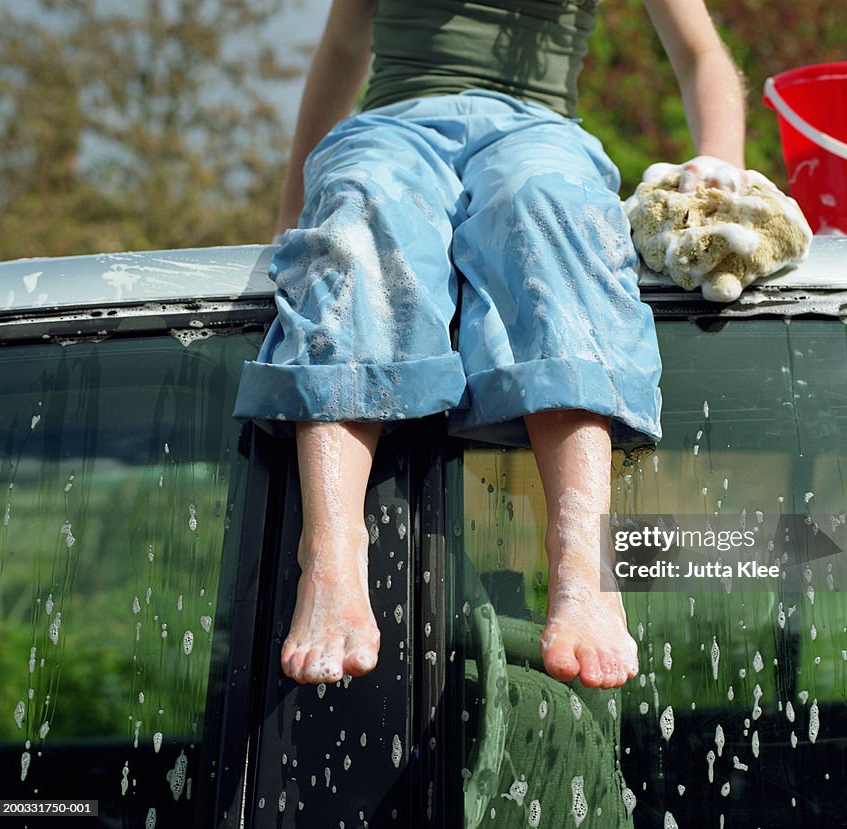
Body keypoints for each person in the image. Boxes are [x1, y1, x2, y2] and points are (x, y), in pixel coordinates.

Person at [234, 0, 745, 690]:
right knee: (361, 214)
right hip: (392, 129)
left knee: (549, 209)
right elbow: (342, 48)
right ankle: (330, 549)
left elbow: (700, 53)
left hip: (537, 131)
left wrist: (721, 164)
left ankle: (580, 558)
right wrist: (291, 216)